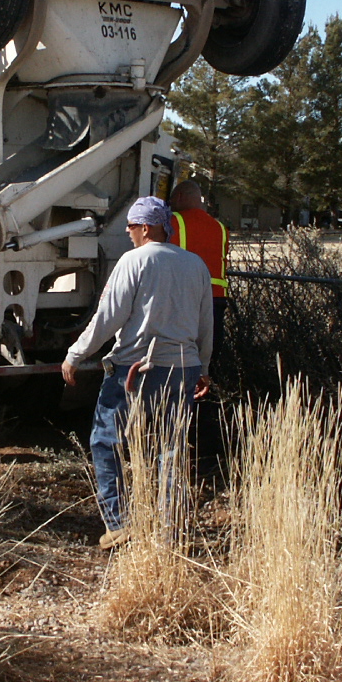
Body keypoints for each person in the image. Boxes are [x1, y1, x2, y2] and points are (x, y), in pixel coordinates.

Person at [61, 196, 213, 548]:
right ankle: (169, 530)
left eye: (130, 226)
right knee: (170, 447)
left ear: (146, 227)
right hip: (183, 368)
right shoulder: (196, 265)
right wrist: (202, 368)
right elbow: (206, 324)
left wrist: (76, 353)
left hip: (135, 369)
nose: (128, 233)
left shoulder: (133, 261)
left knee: (106, 442)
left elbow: (108, 317)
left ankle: (119, 524)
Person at [168, 180, 230, 375]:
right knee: (207, 359)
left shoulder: (172, 221)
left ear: (178, 198)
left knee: (178, 359)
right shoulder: (220, 228)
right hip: (216, 300)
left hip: (186, 298)